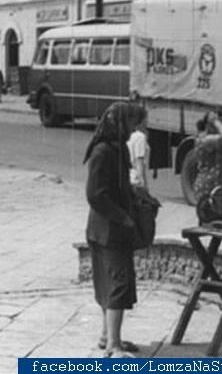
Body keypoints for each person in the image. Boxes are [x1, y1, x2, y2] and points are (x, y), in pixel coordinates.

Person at [83, 102, 147, 358]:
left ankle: (107, 336)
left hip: (108, 228)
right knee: (117, 284)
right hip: (108, 229)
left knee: (109, 283)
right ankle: (114, 345)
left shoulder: (115, 149)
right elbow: (96, 195)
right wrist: (123, 217)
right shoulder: (103, 152)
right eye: (131, 123)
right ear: (120, 123)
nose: (134, 129)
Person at [127, 112, 150, 190]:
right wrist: (142, 182)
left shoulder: (131, 135)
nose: (147, 121)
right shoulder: (140, 137)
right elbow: (139, 160)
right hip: (136, 180)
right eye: (146, 119)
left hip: (129, 177)